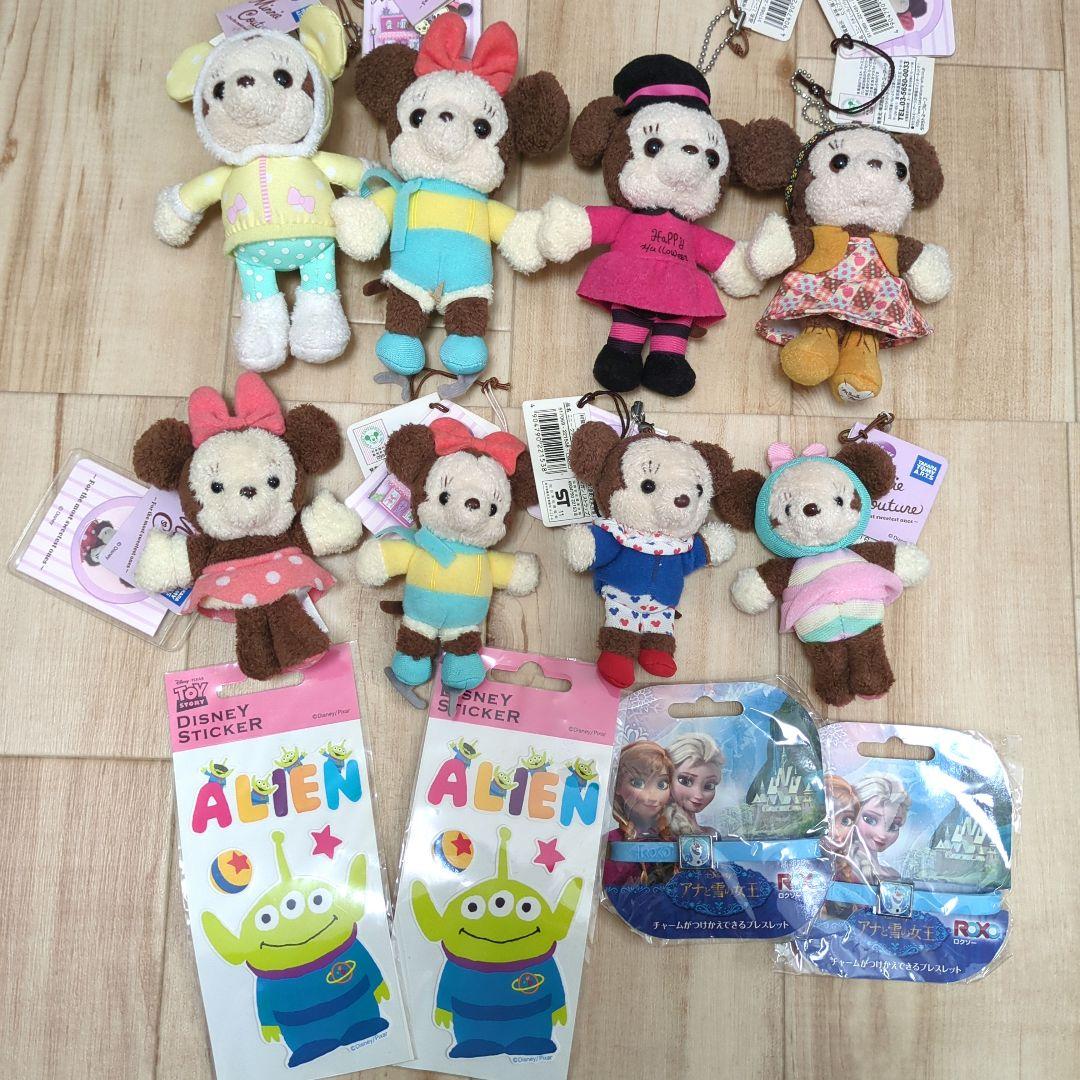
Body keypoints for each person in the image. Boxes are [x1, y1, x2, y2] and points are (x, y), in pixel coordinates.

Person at [603, 740, 674, 887]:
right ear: (617, 786)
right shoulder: (610, 842)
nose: (652, 796)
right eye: (638, 783)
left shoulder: (674, 839)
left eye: (662, 784)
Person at [849, 774, 910, 883]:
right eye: (870, 820)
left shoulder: (893, 875)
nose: (882, 835)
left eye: (893, 826)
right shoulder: (843, 871)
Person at [664, 733, 723, 837]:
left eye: (709, 786)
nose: (698, 795)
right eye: (685, 781)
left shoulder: (711, 834)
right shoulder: (657, 833)